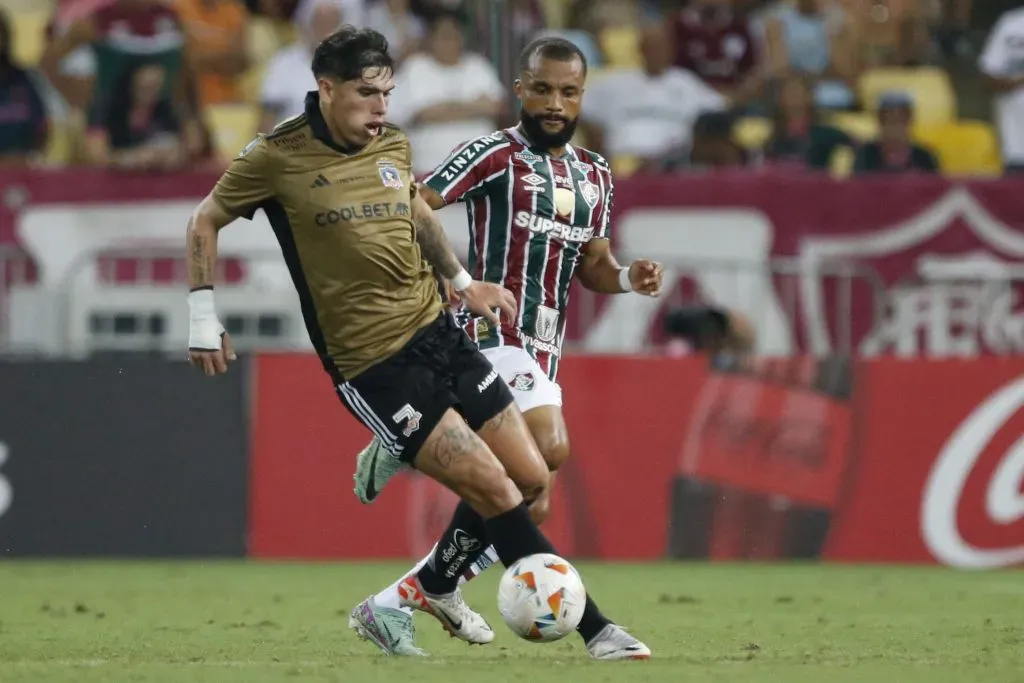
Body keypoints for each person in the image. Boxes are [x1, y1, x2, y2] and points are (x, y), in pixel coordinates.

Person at [185, 26, 648, 663]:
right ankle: (597, 630)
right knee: (496, 491)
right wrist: (201, 317)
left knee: (531, 478)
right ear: (326, 89)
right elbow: (205, 218)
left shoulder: (392, 143)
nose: (381, 107)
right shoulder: (275, 156)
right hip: (375, 364)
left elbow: (416, 209)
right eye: (367, 94)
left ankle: (422, 591)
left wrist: (462, 282)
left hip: (440, 332)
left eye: (388, 93)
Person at [347, 35, 750, 659]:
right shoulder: (492, 153)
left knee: (530, 500)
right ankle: (594, 629)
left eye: (568, 92)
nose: (555, 103)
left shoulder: (596, 173)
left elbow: (593, 264)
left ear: (582, 96)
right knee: (550, 447)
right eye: (542, 89)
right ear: (520, 89)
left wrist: (627, 278)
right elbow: (414, 207)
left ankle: (410, 593)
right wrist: (453, 279)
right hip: (487, 336)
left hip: (543, 351)